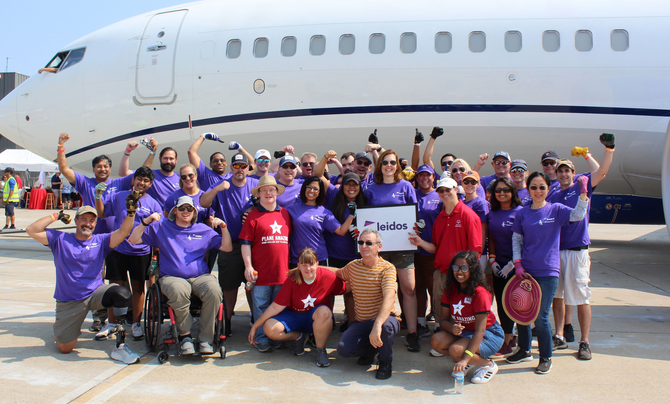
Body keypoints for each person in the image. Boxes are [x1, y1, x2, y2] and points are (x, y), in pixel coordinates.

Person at [25, 204, 139, 364]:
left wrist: (131, 211)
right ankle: (65, 329)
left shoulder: (101, 240)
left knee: (121, 293)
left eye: (92, 220)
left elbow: (124, 232)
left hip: (95, 294)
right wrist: (56, 216)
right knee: (65, 348)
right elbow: (32, 230)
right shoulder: (60, 239)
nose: (88, 224)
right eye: (84, 219)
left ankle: (120, 346)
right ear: (76, 221)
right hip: (69, 300)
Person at [506, 171, 589, 374]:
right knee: (522, 314)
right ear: (529, 189)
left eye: (542, 187)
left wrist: (584, 192)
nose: (537, 191)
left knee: (540, 317)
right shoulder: (522, 213)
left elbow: (578, 215)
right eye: (533, 187)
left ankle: (545, 356)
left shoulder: (556, 210)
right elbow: (517, 240)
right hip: (526, 271)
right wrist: (517, 264)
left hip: (548, 272)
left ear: (548, 189)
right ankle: (525, 350)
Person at [128, 195, 232, 355]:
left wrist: (223, 227)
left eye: (189, 208)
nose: (185, 211)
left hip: (200, 276)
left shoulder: (203, 230)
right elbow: (133, 240)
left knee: (214, 290)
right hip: (172, 277)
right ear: (174, 211)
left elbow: (227, 247)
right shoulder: (162, 227)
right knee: (178, 290)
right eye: (182, 208)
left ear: (194, 211)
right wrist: (146, 221)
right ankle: (186, 336)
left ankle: (205, 339)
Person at [549, 133, 615, 360]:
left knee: (580, 297)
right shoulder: (552, 192)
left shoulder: (582, 185)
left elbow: (602, 171)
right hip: (555, 251)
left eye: (568, 170)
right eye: (561, 171)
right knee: (556, 296)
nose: (564, 174)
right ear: (556, 175)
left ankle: (584, 341)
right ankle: (559, 335)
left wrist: (601, 151)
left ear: (573, 173)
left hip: (577, 251)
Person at [408, 177, 483, 342]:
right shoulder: (439, 219)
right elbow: (436, 248)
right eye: (441, 190)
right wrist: (420, 243)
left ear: (456, 189)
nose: (444, 193)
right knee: (442, 312)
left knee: (461, 312)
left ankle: (459, 344)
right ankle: (444, 341)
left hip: (461, 275)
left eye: (448, 190)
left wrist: (467, 275)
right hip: (442, 273)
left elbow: (474, 251)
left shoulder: (468, 215)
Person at [94, 167, 162, 341]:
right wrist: (97, 197)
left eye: (146, 181)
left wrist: (155, 256)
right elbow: (102, 213)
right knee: (114, 287)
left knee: (138, 289)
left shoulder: (153, 204)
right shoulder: (119, 196)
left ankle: (136, 324)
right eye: (139, 179)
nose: (142, 183)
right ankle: (111, 323)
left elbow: (156, 232)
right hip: (117, 249)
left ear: (151, 184)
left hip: (141, 252)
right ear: (134, 180)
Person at [364, 149, 422, 351]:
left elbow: (415, 215)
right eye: (385, 162)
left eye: (392, 162)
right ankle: (376, 330)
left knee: (409, 289)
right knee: (379, 290)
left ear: (397, 165)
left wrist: (417, 228)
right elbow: (367, 219)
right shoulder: (372, 189)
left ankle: (412, 332)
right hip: (380, 249)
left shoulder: (405, 186)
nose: (389, 165)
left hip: (403, 246)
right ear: (379, 166)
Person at [248, 248, 347, 367]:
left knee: (325, 312)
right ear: (298, 266)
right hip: (294, 316)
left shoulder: (328, 277)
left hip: (316, 317)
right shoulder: (292, 279)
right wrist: (256, 325)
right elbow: (275, 307)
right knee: (269, 328)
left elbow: (347, 288)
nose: (308, 269)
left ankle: (321, 350)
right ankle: (299, 337)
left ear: (317, 264)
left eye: (311, 264)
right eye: (304, 265)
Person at [201, 152, 259, 336]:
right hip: (230, 245)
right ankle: (226, 322)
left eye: (243, 166)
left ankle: (255, 319)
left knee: (253, 284)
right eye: (236, 166)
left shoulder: (255, 184)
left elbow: (269, 204)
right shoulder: (222, 184)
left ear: (248, 168)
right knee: (229, 287)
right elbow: (203, 202)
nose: (240, 169)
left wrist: (253, 208)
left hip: (253, 244)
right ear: (231, 167)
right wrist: (217, 189)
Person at [430, 250, 504, 384]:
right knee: (436, 341)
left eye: (464, 268)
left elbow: (480, 330)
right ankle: (469, 359)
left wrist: (463, 359)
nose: (459, 272)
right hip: (467, 332)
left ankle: (488, 365)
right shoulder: (451, 289)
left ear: (472, 270)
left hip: (489, 334)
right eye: (456, 267)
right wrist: (452, 328)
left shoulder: (480, 292)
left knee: (456, 350)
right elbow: (443, 321)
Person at [336, 229, 399, 380]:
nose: (364, 246)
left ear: (379, 247)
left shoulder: (388, 268)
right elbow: (337, 273)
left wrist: (377, 324)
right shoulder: (353, 267)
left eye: (369, 243)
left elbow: (389, 298)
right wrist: (314, 268)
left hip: (385, 318)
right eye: (361, 242)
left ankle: (385, 362)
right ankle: (370, 350)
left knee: (385, 327)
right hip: (362, 321)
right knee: (344, 349)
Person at [239, 176, 293, 352]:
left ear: (276, 193)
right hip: (260, 274)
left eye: (271, 190)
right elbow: (245, 243)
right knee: (261, 307)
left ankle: (275, 336)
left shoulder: (285, 214)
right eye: (264, 190)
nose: (268, 193)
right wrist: (248, 266)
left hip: (282, 273)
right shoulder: (252, 216)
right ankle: (261, 338)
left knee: (279, 308)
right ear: (259, 194)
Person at [56, 133, 135, 234]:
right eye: (99, 166)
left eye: (105, 166)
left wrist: (131, 152)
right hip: (91, 237)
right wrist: (60, 146)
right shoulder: (85, 183)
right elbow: (64, 169)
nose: (102, 169)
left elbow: (143, 175)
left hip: (115, 238)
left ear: (110, 169)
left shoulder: (119, 183)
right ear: (93, 169)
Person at [487, 176, 523, 355]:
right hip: (499, 266)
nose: (502, 193)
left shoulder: (521, 212)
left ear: (512, 192)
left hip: (517, 266)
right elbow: (491, 237)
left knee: (515, 303)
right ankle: (507, 337)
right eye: (498, 190)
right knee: (501, 303)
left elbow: (526, 240)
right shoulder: (492, 213)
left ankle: (512, 338)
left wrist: (514, 263)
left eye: (506, 190)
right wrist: (492, 260)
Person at [286, 176, 355, 265]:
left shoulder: (324, 212)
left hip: (319, 258)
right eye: (309, 187)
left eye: (316, 189)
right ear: (304, 188)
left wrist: (351, 215)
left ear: (319, 192)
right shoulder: (291, 209)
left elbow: (341, 231)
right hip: (297, 259)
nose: (311, 191)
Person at [413, 164, 441, 333]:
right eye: (421, 175)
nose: (424, 178)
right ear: (417, 178)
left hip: (433, 251)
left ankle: (439, 322)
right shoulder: (411, 195)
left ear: (433, 177)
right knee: (418, 288)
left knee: (434, 288)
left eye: (428, 175)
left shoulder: (440, 194)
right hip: (414, 251)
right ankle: (420, 322)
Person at [119, 140, 180, 210]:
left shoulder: (181, 179)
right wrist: (128, 151)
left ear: (176, 160)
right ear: (160, 159)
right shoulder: (151, 175)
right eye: (165, 158)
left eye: (171, 159)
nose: (168, 161)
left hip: (173, 219)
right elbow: (123, 173)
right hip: (153, 217)